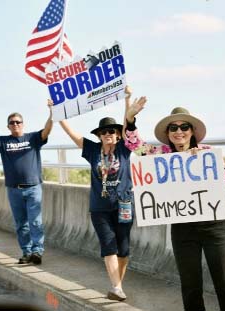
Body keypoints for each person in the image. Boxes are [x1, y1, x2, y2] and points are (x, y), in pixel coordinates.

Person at [123, 86, 225, 311]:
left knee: (224, 282)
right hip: (182, 228)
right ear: (167, 134)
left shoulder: (207, 152)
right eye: (173, 128)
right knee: (190, 285)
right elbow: (133, 146)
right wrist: (130, 118)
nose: (179, 131)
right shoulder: (160, 155)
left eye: (184, 127)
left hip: (214, 227)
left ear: (192, 131)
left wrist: (202, 164)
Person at [58, 97, 145, 301]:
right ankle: (116, 287)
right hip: (100, 208)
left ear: (117, 135)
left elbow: (127, 125)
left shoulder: (124, 148)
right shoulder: (92, 150)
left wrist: (127, 100)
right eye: (104, 132)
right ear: (99, 135)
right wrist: (57, 114)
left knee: (123, 250)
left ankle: (117, 286)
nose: (108, 134)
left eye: (112, 132)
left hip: (124, 204)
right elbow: (72, 134)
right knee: (109, 245)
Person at [0, 101, 53, 265]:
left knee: (35, 222)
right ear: (8, 126)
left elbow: (46, 131)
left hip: (33, 188)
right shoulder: (3, 142)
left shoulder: (32, 138)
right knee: (21, 224)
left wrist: (52, 112)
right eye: (12, 122)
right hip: (14, 189)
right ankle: (27, 252)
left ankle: (37, 251)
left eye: (18, 122)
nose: (15, 124)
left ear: (23, 124)